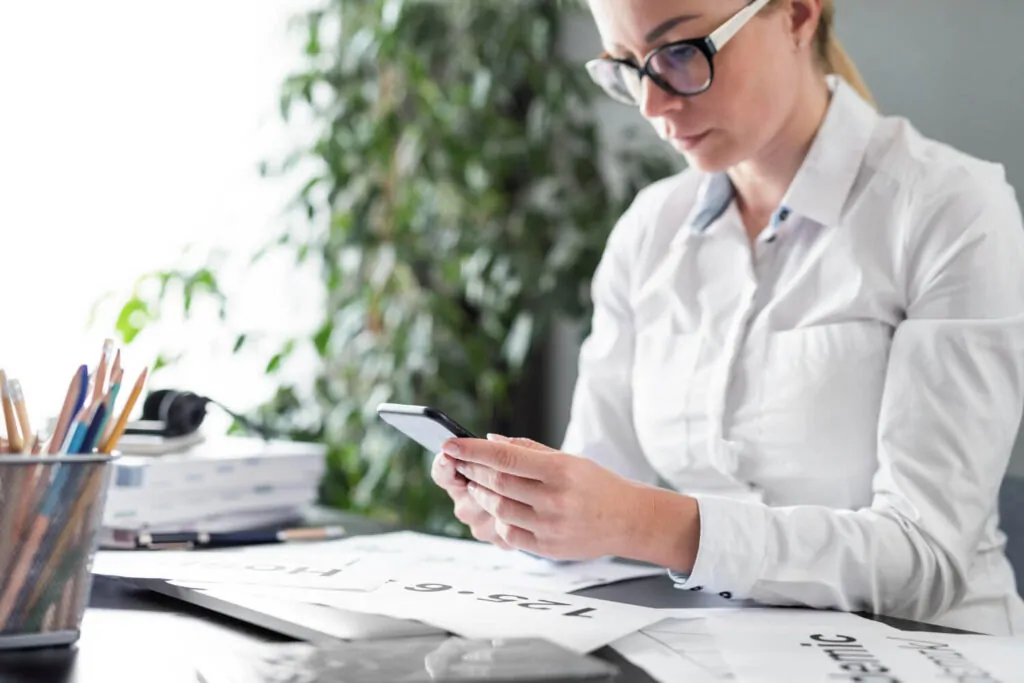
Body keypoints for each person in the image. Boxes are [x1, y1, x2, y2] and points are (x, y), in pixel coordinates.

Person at [430, 0, 1024, 636]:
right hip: (724, 650)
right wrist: (532, 515)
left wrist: (640, 521)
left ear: (798, 15)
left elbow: (923, 560)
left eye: (681, 53)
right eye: (627, 67)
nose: (652, 106)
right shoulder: (649, 230)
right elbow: (599, 487)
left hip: (932, 653)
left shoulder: (948, 211)